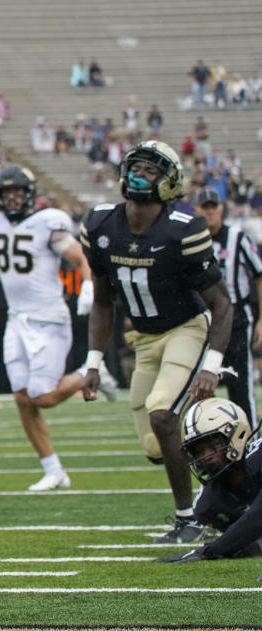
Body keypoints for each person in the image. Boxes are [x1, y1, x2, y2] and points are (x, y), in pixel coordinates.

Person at [0, 121, 117, 491]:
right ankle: (53, 470)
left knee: (42, 396)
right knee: (22, 398)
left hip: (49, 319)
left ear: (30, 195)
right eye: (7, 194)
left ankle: (90, 374)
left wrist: (89, 284)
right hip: (17, 320)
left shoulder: (49, 222)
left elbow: (80, 257)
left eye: (19, 193)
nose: (12, 200)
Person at [80, 140, 234, 543]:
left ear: (169, 183)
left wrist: (210, 366)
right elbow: (102, 301)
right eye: (136, 166)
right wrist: (93, 361)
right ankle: (226, 476)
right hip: (144, 340)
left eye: (151, 170)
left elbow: (222, 303)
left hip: (186, 330)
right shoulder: (99, 226)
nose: (140, 175)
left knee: (162, 414)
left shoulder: (184, 228)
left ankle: (192, 518)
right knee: (155, 445)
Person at [157, 397, 261, 563]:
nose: (206, 457)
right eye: (199, 450)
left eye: (213, 446)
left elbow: (258, 516)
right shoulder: (209, 504)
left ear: (236, 436)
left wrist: (210, 551)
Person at [192, 186, 262, 428]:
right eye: (205, 208)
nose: (210, 212)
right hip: (203, 320)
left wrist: (261, 318)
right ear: (197, 210)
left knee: (240, 386)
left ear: (221, 208)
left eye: (213, 207)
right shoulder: (192, 240)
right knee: (200, 387)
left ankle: (252, 445)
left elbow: (259, 275)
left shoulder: (238, 238)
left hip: (237, 317)